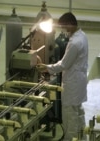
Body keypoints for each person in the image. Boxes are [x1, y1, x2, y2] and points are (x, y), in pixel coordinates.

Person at [36, 12, 88, 141]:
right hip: (79, 81)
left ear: (70, 24)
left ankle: (71, 138)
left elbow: (63, 65)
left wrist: (46, 67)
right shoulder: (83, 36)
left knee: (69, 116)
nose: (63, 30)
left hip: (72, 83)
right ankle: (82, 137)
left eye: (64, 27)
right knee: (78, 112)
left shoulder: (74, 43)